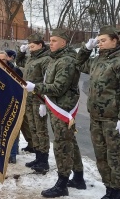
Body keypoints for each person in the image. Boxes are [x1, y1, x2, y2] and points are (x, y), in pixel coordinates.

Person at [76, 26, 120, 199]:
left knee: (115, 157)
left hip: (114, 120)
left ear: (114, 41)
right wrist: (86, 48)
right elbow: (79, 63)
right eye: (98, 41)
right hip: (96, 119)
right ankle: (109, 188)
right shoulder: (97, 61)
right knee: (101, 156)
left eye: (103, 40)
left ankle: (118, 192)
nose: (100, 44)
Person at [25, 29, 85, 198]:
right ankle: (79, 177)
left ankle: (62, 183)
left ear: (64, 43)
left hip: (63, 108)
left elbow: (58, 87)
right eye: (50, 40)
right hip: (56, 105)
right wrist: (44, 99)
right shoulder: (55, 58)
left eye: (54, 40)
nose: (50, 43)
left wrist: (35, 88)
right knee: (69, 141)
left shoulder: (66, 61)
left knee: (62, 145)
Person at [15, 33, 51, 172]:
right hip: (29, 98)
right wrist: (21, 52)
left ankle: (44, 160)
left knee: (41, 130)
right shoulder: (31, 58)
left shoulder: (45, 59)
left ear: (40, 45)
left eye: (32, 46)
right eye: (29, 46)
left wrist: (43, 101)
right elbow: (19, 62)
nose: (30, 48)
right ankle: (38, 156)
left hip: (38, 99)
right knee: (33, 129)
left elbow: (46, 81)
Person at [0, 50, 23, 164]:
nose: (0, 61)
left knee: (12, 129)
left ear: (7, 59)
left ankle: (12, 154)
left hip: (12, 103)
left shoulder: (16, 71)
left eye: (3, 59)